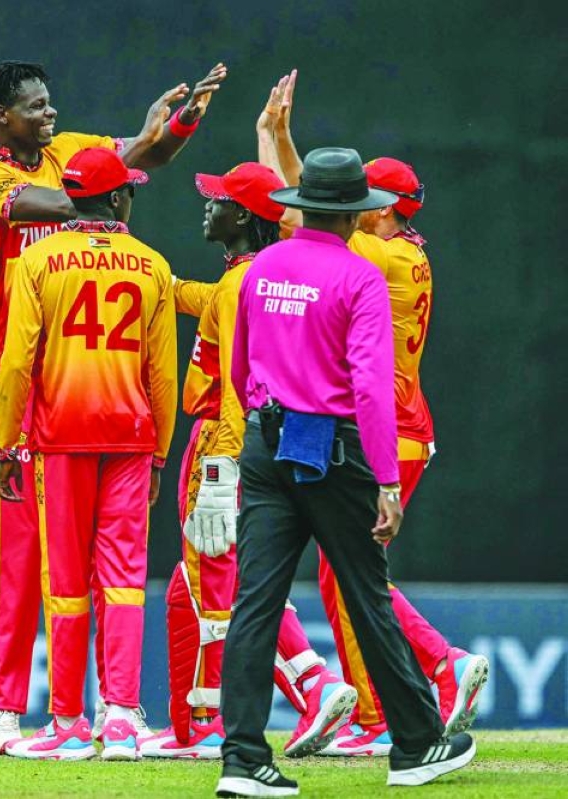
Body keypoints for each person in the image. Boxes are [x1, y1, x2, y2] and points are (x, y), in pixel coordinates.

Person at [0, 58, 226, 755]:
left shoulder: (70, 152)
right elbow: (71, 201)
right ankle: (3, 707)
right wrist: (114, 167)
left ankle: (110, 710)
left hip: (92, 380)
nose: (49, 115)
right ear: (2, 118)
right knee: (21, 553)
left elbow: (144, 160)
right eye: (36, 106)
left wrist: (176, 124)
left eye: (51, 103)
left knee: (106, 561)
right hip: (21, 379)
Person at [215, 148, 475, 796]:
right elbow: (369, 387)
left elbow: (241, 366)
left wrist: (263, 421)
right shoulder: (359, 276)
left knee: (255, 602)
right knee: (366, 594)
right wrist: (386, 480)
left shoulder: (265, 265)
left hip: (267, 440)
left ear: (302, 207)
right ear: (354, 213)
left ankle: (244, 758)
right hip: (333, 449)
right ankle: (416, 744)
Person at [260, 72, 489, 757]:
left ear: (384, 209)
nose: (357, 207)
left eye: (368, 201)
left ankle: (426, 671)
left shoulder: (378, 254)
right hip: (407, 424)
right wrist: (276, 138)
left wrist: (276, 139)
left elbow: (307, 215)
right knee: (347, 570)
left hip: (386, 430)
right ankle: (386, 698)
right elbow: (315, 206)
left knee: (351, 574)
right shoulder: (404, 253)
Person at [139, 162, 355, 760]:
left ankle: (295, 689)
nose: (208, 207)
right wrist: (140, 264)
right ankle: (195, 721)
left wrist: (218, 469)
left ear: (245, 216)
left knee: (218, 584)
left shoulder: (244, 283)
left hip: (222, 439)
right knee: (202, 584)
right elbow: (194, 296)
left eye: (219, 201)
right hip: (257, 438)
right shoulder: (255, 275)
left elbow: (237, 382)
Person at [0, 146, 177, 761]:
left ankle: (68, 721)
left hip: (60, 437)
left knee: (66, 579)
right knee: (124, 578)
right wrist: (159, 453)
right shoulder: (152, 264)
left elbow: (17, 361)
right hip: (129, 437)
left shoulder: (38, 259)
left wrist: (7, 442)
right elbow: (163, 376)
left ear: (72, 196)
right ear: (118, 197)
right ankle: (121, 717)